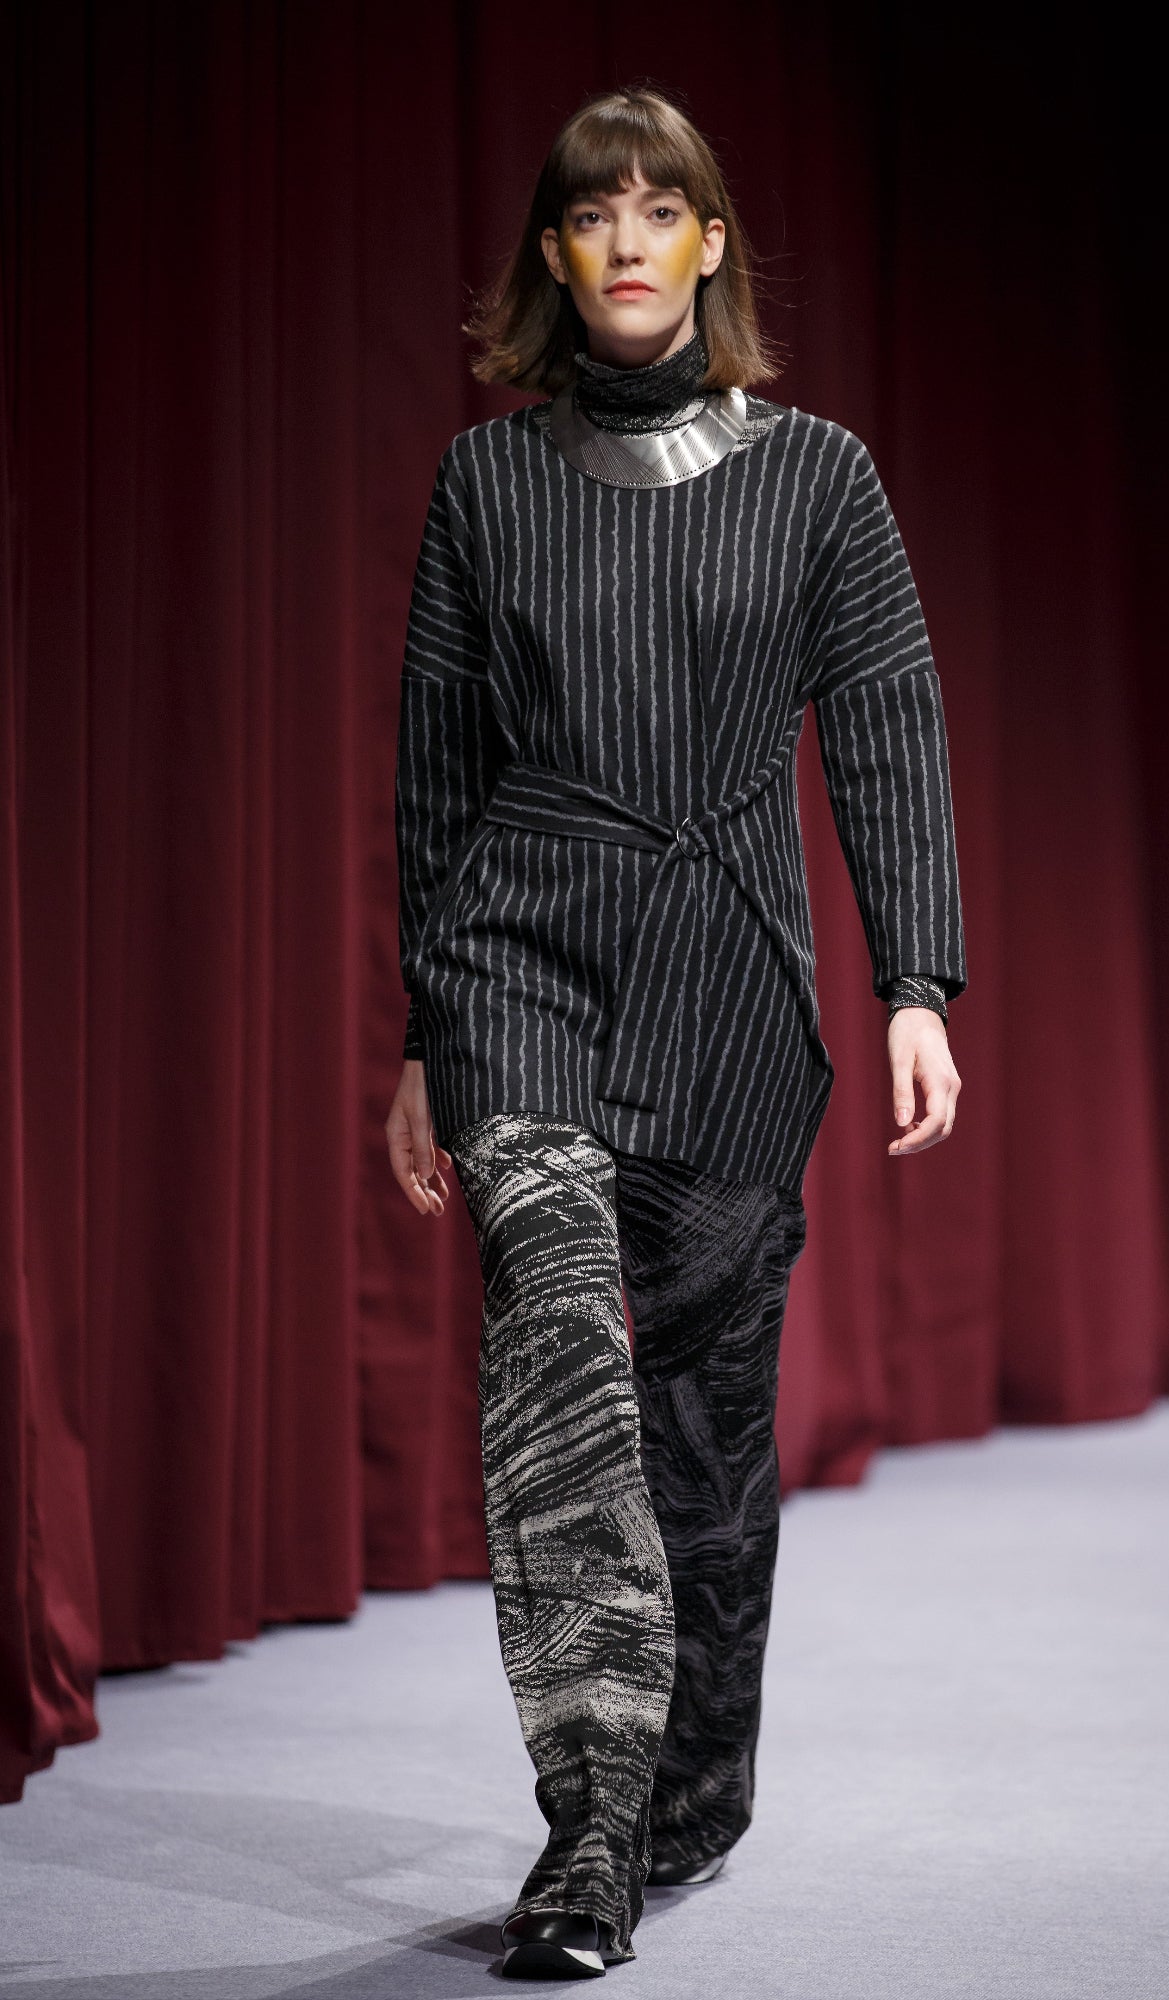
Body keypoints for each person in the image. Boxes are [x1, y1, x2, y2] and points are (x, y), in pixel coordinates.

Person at [384, 85, 967, 1980]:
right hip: (523, 955)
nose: (626, 238)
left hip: (725, 975)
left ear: (710, 243)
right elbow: (432, 781)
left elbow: (882, 727)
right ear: (552, 257)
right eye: (588, 213)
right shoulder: (485, 486)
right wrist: (425, 1037)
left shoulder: (823, 479)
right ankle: (591, 1821)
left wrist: (915, 984)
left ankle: (690, 1779)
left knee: (707, 1416)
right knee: (559, 1344)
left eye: (660, 207)